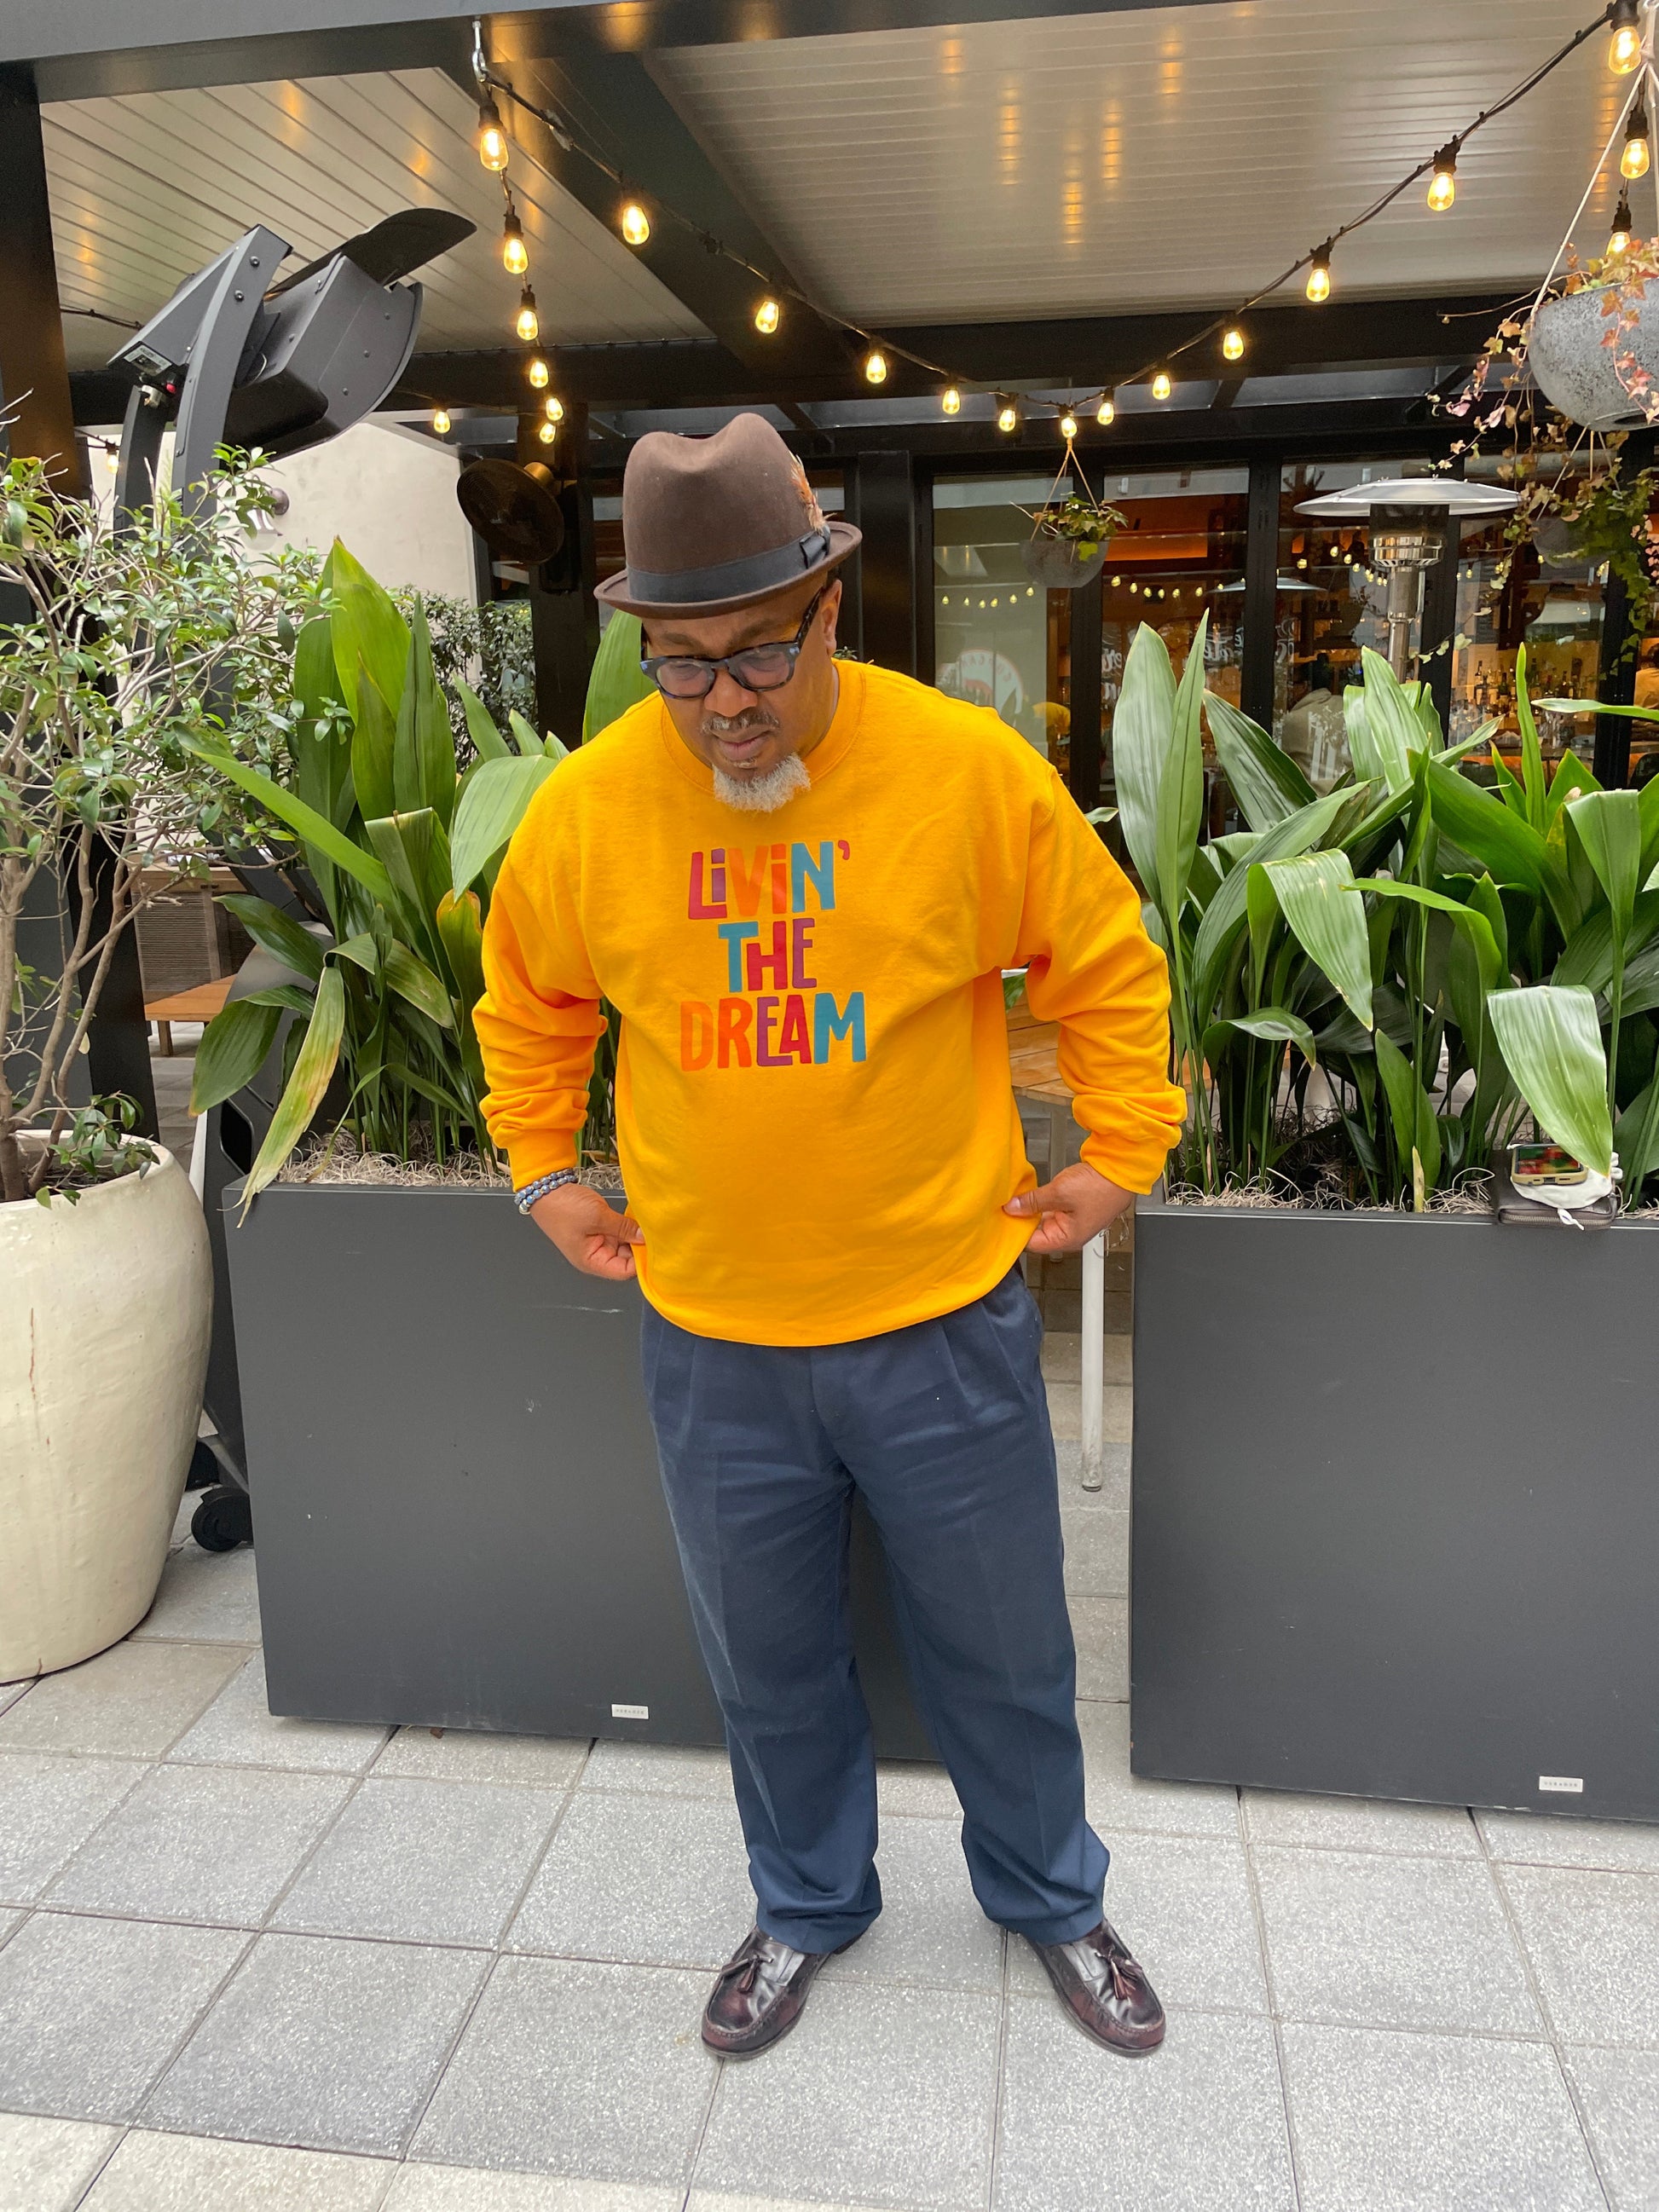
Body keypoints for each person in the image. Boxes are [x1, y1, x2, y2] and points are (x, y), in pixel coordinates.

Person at [475, 413, 1186, 2062]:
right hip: (714, 1334)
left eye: (754, 656)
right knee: (770, 1662)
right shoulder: (588, 812)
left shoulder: (960, 771)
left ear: (828, 613)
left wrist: (1121, 1154)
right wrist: (539, 1171)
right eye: (680, 663)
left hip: (941, 1313)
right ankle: (804, 1903)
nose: (724, 702)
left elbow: (1103, 957)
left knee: (1005, 1648)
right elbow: (528, 1003)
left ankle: (1052, 1899)